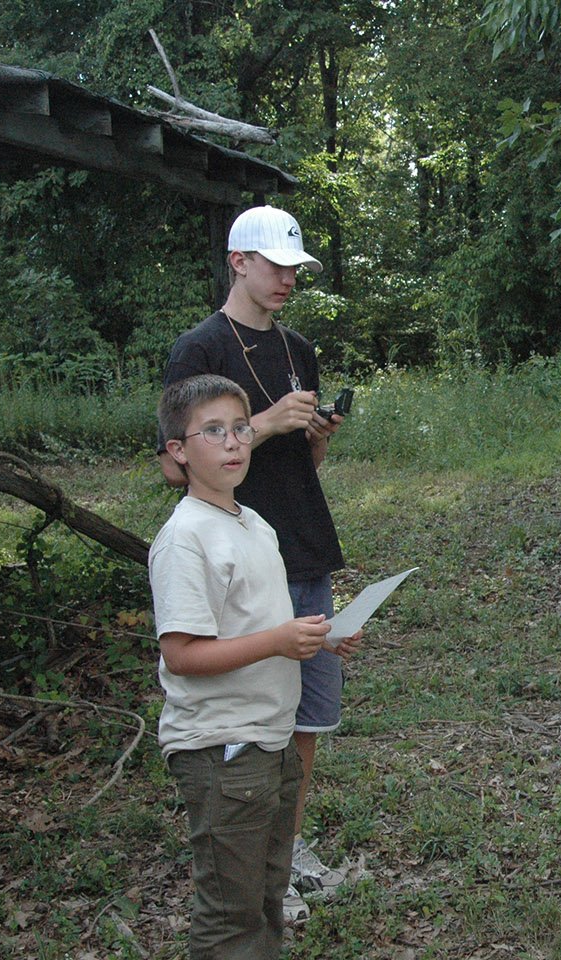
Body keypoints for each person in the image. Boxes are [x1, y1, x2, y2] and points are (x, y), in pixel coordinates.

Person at [159, 205, 352, 922]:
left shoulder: (298, 347)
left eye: (295, 270)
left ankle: (289, 845)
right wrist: (265, 423)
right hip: (237, 553)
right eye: (274, 266)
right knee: (250, 713)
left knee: (305, 719)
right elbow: (174, 470)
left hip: (300, 542)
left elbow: (303, 463)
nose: (286, 281)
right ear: (237, 260)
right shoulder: (198, 349)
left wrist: (316, 434)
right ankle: (249, 868)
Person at [150, 374, 362, 958]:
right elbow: (183, 655)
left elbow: (256, 627)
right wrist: (278, 640)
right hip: (223, 750)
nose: (233, 442)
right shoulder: (186, 540)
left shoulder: (254, 523)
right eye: (212, 431)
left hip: (271, 743)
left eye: (240, 428)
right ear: (178, 452)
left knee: (267, 895)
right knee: (230, 916)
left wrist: (320, 639)